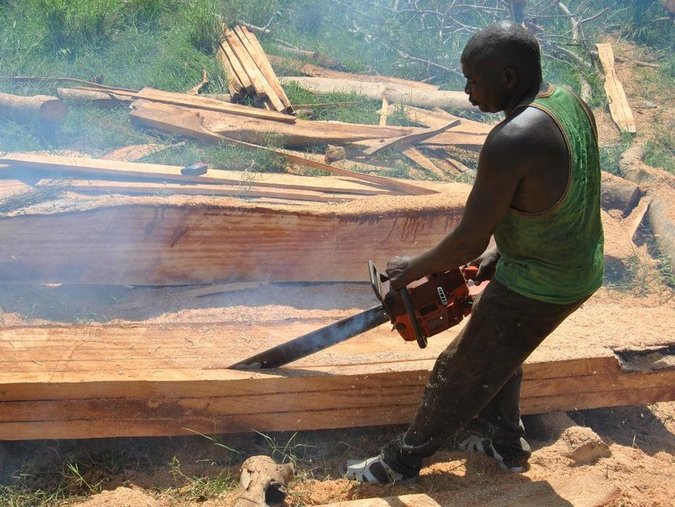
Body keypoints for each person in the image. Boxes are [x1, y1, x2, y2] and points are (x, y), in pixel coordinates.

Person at [345, 20, 604, 483]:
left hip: (544, 282)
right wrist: (505, 253)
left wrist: (411, 269)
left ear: (508, 77)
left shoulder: (512, 140)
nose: (466, 91)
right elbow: (559, 194)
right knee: (501, 348)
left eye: (474, 80)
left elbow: (468, 240)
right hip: (576, 264)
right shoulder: (570, 104)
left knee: (459, 369)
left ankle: (400, 462)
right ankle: (506, 443)